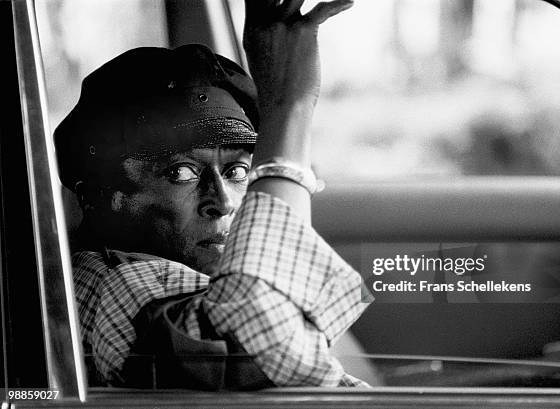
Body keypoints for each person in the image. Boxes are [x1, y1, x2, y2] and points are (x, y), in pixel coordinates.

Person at [54, 0, 369, 389]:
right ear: (96, 196)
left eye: (237, 171)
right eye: (180, 172)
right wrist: (290, 105)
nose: (222, 201)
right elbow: (263, 349)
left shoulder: (207, 279)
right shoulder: (110, 281)